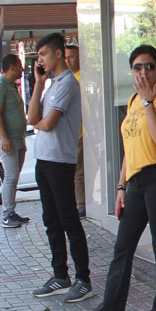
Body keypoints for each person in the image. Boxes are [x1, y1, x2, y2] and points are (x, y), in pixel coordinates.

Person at [74, 46, 156, 311]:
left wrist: (150, 103)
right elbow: (130, 146)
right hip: (135, 181)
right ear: (131, 71)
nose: (143, 72)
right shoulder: (134, 99)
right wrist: (121, 185)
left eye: (149, 66)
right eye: (137, 67)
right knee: (122, 248)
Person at [27, 32, 93, 303]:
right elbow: (32, 118)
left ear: (58, 53)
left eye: (43, 54)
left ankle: (83, 279)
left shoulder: (67, 84)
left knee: (68, 219)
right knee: (51, 220)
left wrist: (40, 122)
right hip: (44, 160)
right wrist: (38, 82)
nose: (40, 59)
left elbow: (48, 122)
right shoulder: (51, 84)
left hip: (60, 161)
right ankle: (60, 276)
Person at [0, 54, 31, 229]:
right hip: (8, 140)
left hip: (18, 138)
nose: (23, 68)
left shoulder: (13, 87)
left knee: (14, 177)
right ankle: (7, 214)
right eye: (20, 65)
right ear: (13, 66)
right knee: (11, 176)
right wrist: (4, 137)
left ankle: (11, 211)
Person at [66, 43, 88, 220]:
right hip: (73, 134)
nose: (68, 60)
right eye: (65, 57)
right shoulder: (69, 78)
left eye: (71, 56)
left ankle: (81, 204)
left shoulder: (80, 79)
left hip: (80, 132)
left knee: (79, 172)